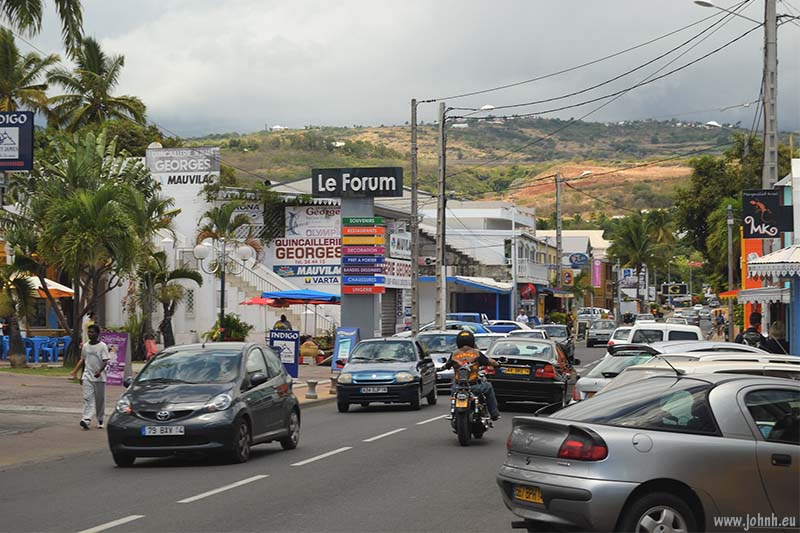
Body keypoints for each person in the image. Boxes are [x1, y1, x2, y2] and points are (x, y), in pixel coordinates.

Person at [442, 331, 501, 421]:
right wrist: (497, 364)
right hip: (474, 386)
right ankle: (494, 413)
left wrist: (441, 368)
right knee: (488, 387)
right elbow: (489, 361)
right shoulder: (476, 353)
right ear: (472, 341)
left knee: (453, 391)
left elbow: (446, 365)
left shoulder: (454, 354)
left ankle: (453, 412)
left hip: (458, 387)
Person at [76, 324, 110, 430]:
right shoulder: (86, 346)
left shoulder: (102, 346)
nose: (90, 334)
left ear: (97, 334)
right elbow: (84, 361)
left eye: (92, 332)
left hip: (99, 378)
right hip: (87, 376)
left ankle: (100, 419)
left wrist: (99, 371)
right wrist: (82, 375)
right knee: (88, 398)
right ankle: (86, 419)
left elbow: (105, 360)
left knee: (99, 400)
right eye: (89, 332)